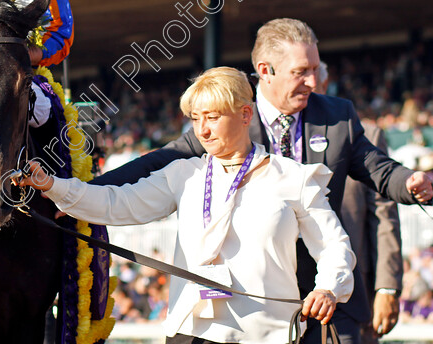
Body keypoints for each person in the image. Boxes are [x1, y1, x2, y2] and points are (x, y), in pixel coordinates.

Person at [93, 18, 433, 344]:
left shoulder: (338, 116)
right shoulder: (226, 120)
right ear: (265, 71)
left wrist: (411, 183)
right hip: (253, 307)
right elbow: (157, 162)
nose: (314, 82)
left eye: (315, 69)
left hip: (327, 300)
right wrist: (91, 191)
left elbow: (380, 169)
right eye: (302, 72)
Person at [20, 67, 355, 344]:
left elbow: (334, 246)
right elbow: (116, 204)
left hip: (266, 334)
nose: (203, 130)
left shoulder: (294, 177)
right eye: (195, 118)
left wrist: (328, 287)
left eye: (212, 117)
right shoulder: (183, 174)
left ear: (245, 114)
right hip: (188, 332)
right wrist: (53, 185)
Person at [316, 61, 403, 342]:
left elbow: (384, 217)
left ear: (325, 86)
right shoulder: (269, 139)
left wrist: (386, 288)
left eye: (314, 80)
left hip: (354, 293)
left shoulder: (365, 135)